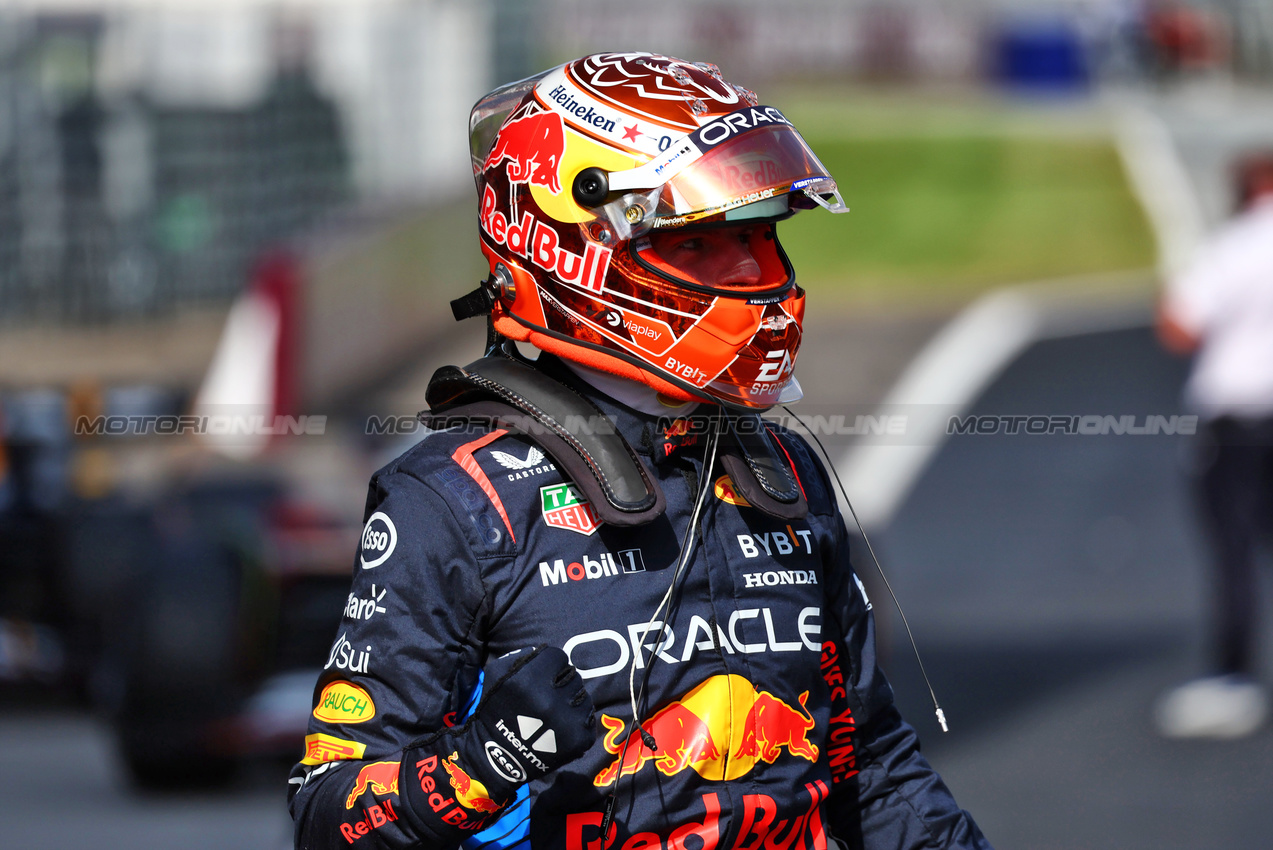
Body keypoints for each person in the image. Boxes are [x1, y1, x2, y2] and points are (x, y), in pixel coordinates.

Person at [288, 52, 992, 850]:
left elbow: (873, 769)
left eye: (760, 238)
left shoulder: (784, 475)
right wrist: (479, 766)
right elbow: (328, 812)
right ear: (566, 245)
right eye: (701, 244)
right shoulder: (453, 500)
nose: (754, 276)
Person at [1153, 153, 1273, 740]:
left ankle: (1233, 678)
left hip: (1239, 417)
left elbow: (1178, 326)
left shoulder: (1235, 247)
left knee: (1233, 549)